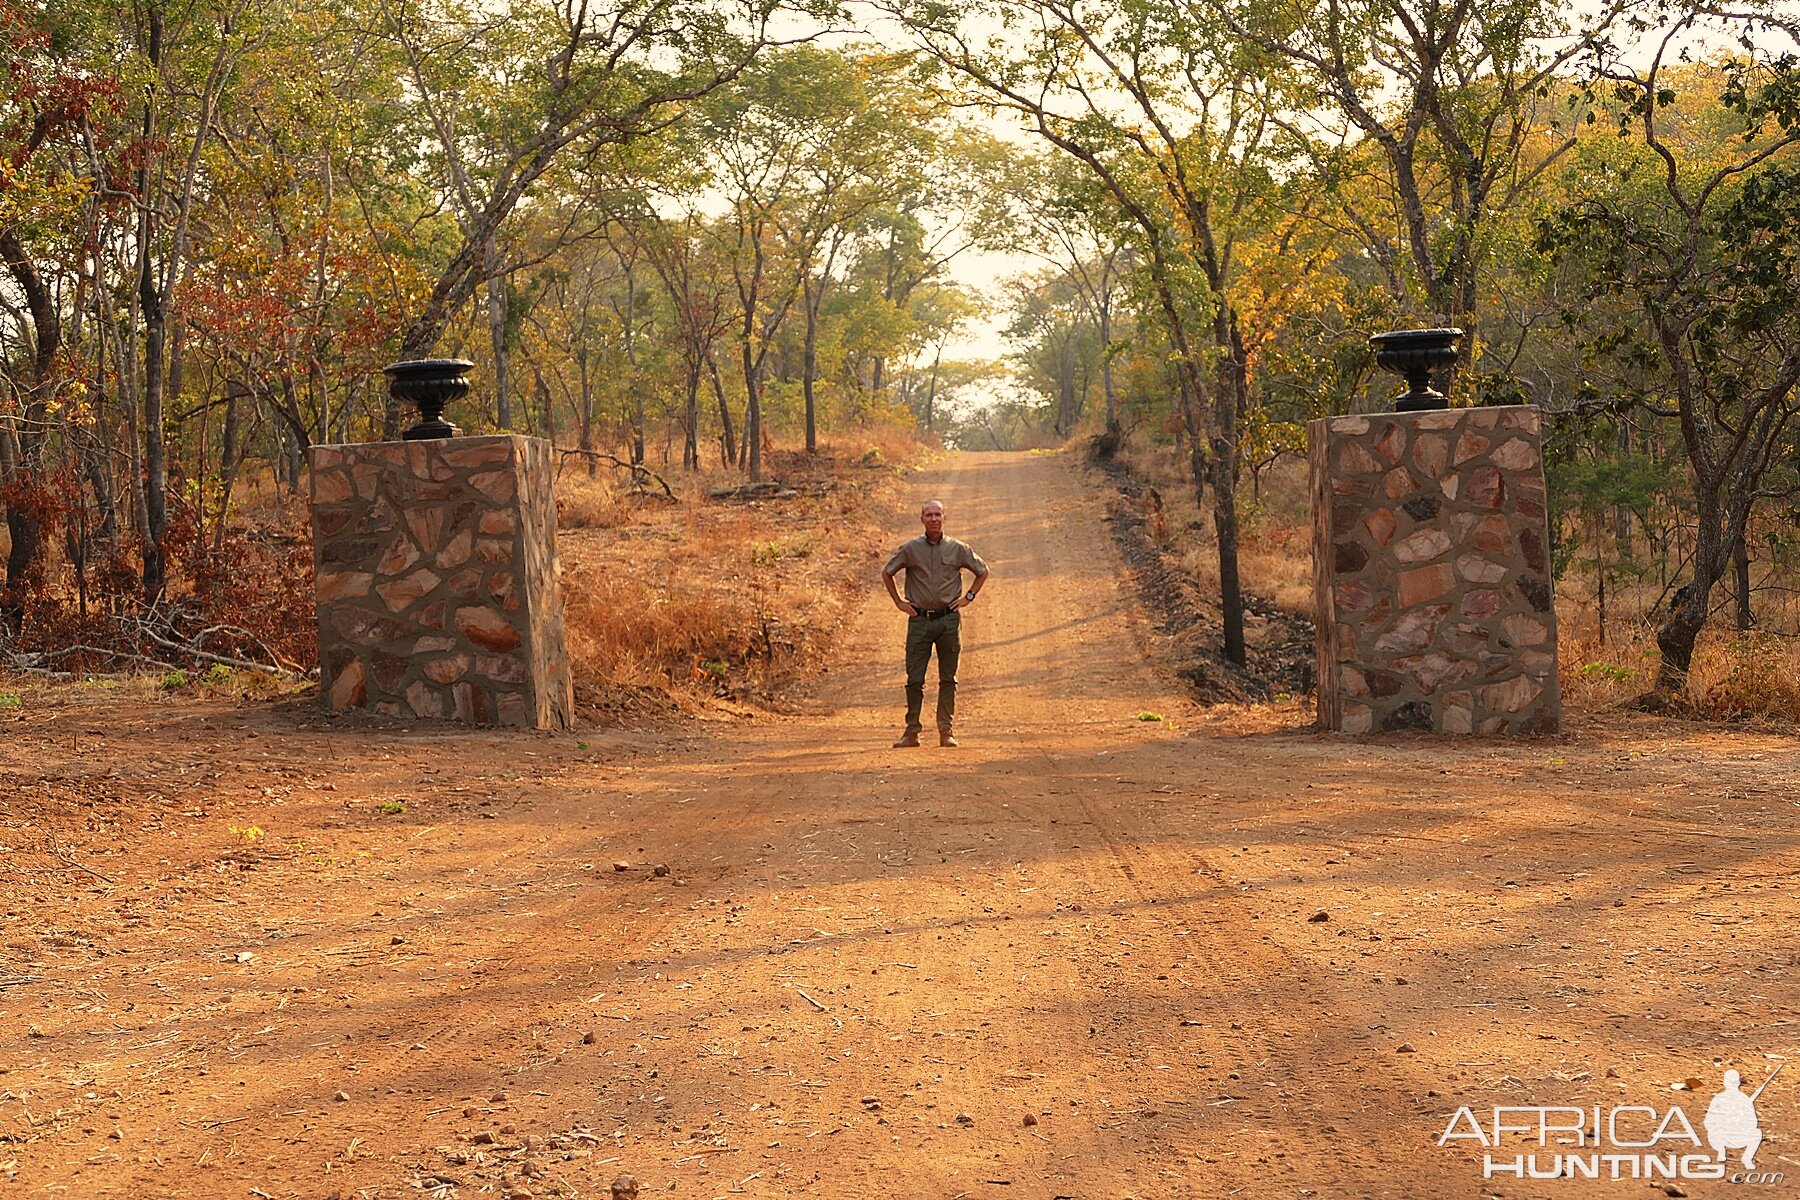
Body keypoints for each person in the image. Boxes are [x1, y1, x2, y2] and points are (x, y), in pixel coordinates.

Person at [882, 499, 989, 747]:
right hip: (919, 620)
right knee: (915, 679)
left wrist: (968, 597)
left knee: (948, 678)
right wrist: (899, 602)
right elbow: (887, 572)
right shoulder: (910, 549)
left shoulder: (958, 548)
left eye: (937, 515)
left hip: (948, 620)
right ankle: (911, 732)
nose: (933, 519)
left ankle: (946, 731)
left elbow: (982, 571)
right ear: (921, 519)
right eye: (928, 515)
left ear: (944, 518)